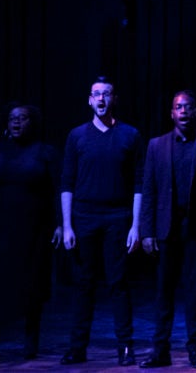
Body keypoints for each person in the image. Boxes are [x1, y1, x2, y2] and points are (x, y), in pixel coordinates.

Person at [60, 77, 145, 366]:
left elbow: (138, 183)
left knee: (118, 282)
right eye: (96, 94)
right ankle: (77, 347)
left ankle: (125, 347)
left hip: (117, 217)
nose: (100, 99)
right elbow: (67, 181)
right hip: (84, 217)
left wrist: (136, 225)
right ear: (88, 99)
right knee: (84, 283)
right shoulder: (77, 136)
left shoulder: (130, 135)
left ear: (114, 99)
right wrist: (68, 224)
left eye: (106, 94)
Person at [0, 103, 60, 361]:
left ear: (34, 122)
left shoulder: (45, 153)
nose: (17, 122)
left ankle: (30, 339)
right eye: (12, 118)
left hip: (32, 232)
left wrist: (60, 223)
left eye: (23, 118)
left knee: (31, 284)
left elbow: (57, 190)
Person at [140, 91, 196, 369]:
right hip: (166, 230)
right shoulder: (156, 146)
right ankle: (160, 349)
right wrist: (146, 231)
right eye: (178, 107)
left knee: (194, 292)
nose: (183, 111)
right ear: (171, 113)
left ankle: (194, 349)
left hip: (194, 231)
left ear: (195, 111)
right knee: (163, 292)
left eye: (188, 107)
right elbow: (149, 189)